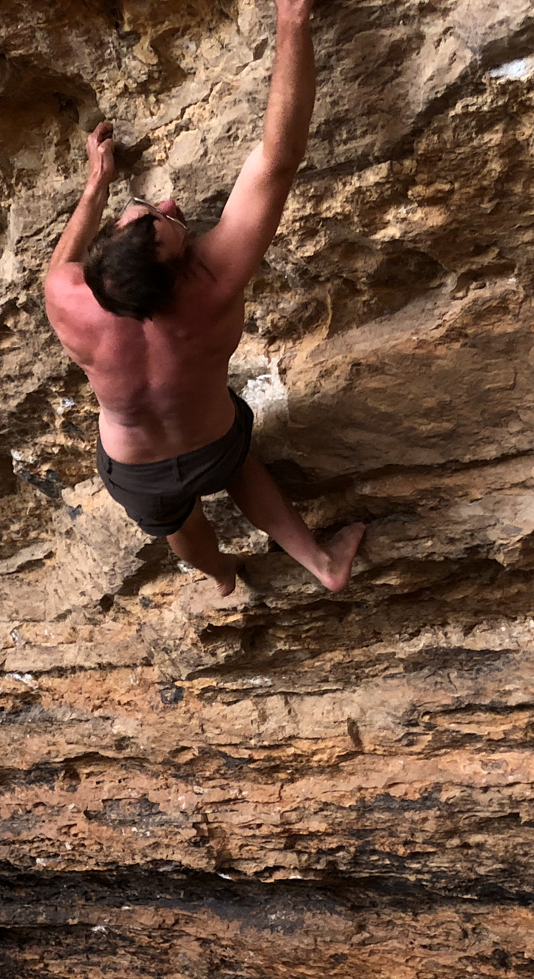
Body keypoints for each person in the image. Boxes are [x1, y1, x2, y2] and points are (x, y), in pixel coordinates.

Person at [44, 0, 363, 597]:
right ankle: (321, 564)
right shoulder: (212, 285)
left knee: (177, 524)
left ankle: (220, 575)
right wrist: (292, 21)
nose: (167, 207)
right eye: (162, 219)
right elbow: (277, 161)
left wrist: (97, 186)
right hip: (216, 441)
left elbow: (62, 258)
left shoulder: (66, 297)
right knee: (241, 465)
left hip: (137, 470)